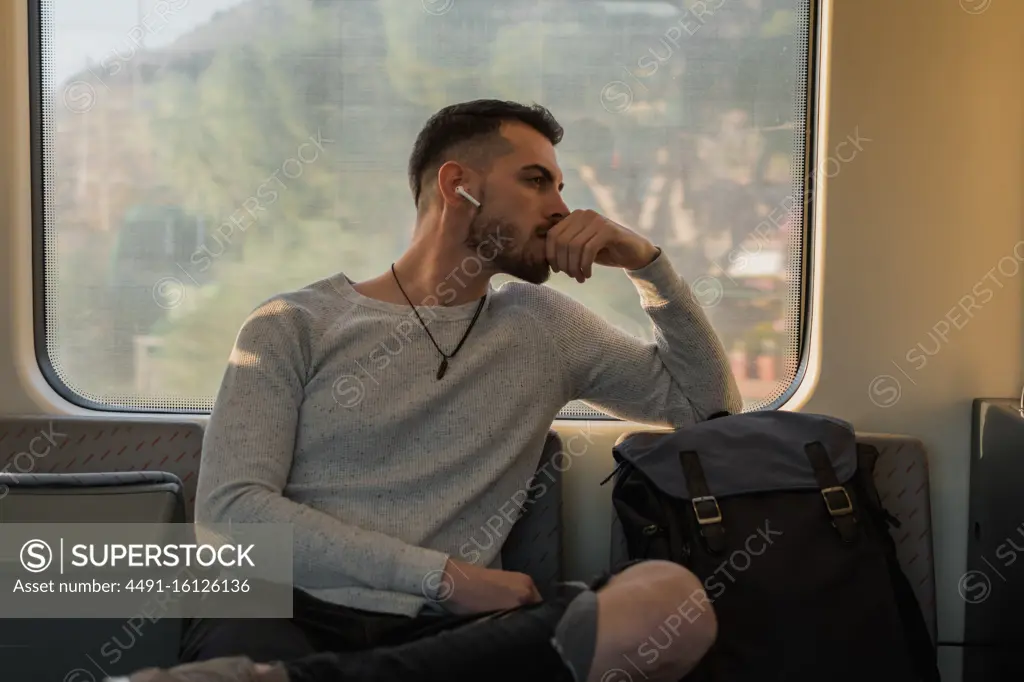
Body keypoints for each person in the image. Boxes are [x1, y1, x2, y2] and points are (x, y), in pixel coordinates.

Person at [115, 99, 742, 682]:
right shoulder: (293, 325)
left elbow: (705, 405)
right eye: (535, 180)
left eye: (560, 186)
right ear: (456, 185)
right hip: (287, 609)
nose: (561, 208)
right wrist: (441, 576)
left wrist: (646, 264)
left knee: (669, 600)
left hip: (448, 634)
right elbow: (230, 519)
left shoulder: (547, 327)